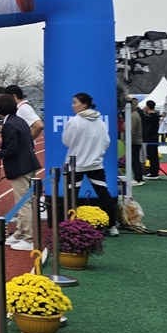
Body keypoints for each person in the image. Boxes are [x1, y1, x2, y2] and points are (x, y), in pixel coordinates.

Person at [61, 92, 120, 235]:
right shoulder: (100, 122)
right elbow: (106, 142)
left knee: (71, 196)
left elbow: (66, 141)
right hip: (95, 165)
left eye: (75, 102)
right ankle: (112, 226)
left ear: (85, 104)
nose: (72, 105)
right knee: (104, 195)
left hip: (76, 166)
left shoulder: (74, 122)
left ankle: (70, 227)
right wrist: (96, 154)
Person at [0, 94, 42, 251]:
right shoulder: (19, 121)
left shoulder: (10, 125)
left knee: (23, 202)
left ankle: (29, 238)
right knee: (23, 201)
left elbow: (11, 150)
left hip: (20, 167)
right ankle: (20, 232)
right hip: (28, 164)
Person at [142, 100, 162, 179]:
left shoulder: (149, 117)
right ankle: (154, 170)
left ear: (148, 106)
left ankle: (154, 172)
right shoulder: (156, 116)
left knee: (151, 155)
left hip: (150, 137)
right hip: (155, 137)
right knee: (154, 154)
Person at [127, 97, 144, 185]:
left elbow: (131, 131)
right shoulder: (134, 114)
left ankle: (138, 178)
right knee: (136, 160)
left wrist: (128, 143)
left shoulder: (133, 116)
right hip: (136, 141)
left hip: (134, 142)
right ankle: (139, 177)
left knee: (134, 160)